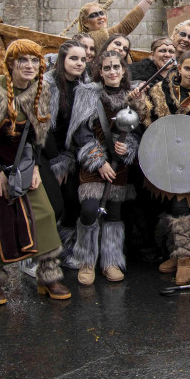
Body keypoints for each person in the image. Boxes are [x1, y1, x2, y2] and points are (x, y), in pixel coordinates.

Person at [0, 39, 69, 305]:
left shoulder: (40, 90)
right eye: (22, 60)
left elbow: (37, 135)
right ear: (10, 63)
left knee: (44, 212)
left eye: (35, 61)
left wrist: (33, 167)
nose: (29, 66)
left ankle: (49, 275)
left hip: (22, 159)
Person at [67, 50, 145, 285]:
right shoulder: (87, 94)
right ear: (100, 72)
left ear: (123, 71)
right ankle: (87, 260)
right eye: (107, 68)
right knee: (90, 210)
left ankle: (110, 261)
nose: (113, 72)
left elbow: (138, 131)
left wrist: (128, 147)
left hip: (119, 164)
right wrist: (98, 161)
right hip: (94, 163)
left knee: (114, 213)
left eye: (117, 67)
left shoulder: (133, 96)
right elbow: (81, 131)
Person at [142, 50, 190, 285]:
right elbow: (147, 122)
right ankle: (174, 253)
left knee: (181, 207)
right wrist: (137, 102)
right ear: (179, 68)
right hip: (161, 159)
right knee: (161, 210)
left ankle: (185, 258)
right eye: (187, 68)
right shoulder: (159, 92)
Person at [41, 40, 89, 269]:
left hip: (70, 153)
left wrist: (69, 158)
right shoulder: (47, 84)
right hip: (45, 150)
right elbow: (44, 128)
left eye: (82, 59)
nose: (79, 63)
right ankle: (40, 254)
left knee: (72, 203)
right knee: (53, 205)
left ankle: (65, 249)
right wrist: (55, 161)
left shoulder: (83, 85)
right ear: (62, 60)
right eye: (73, 58)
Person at [76, 0, 160, 48]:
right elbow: (125, 26)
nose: (100, 17)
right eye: (94, 15)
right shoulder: (90, 38)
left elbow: (125, 26)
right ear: (85, 22)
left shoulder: (106, 34)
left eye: (101, 13)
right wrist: (148, 0)